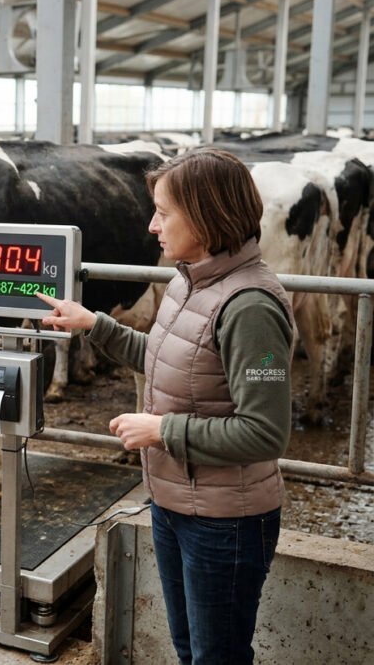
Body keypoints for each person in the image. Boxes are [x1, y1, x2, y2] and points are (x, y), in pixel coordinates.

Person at [36, 147, 293, 665]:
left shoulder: (250, 308)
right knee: (189, 648)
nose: (152, 226)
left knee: (216, 656)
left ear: (207, 215)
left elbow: (265, 432)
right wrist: (94, 324)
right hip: (174, 503)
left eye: (163, 213)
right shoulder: (187, 279)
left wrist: (162, 430)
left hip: (225, 522)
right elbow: (165, 358)